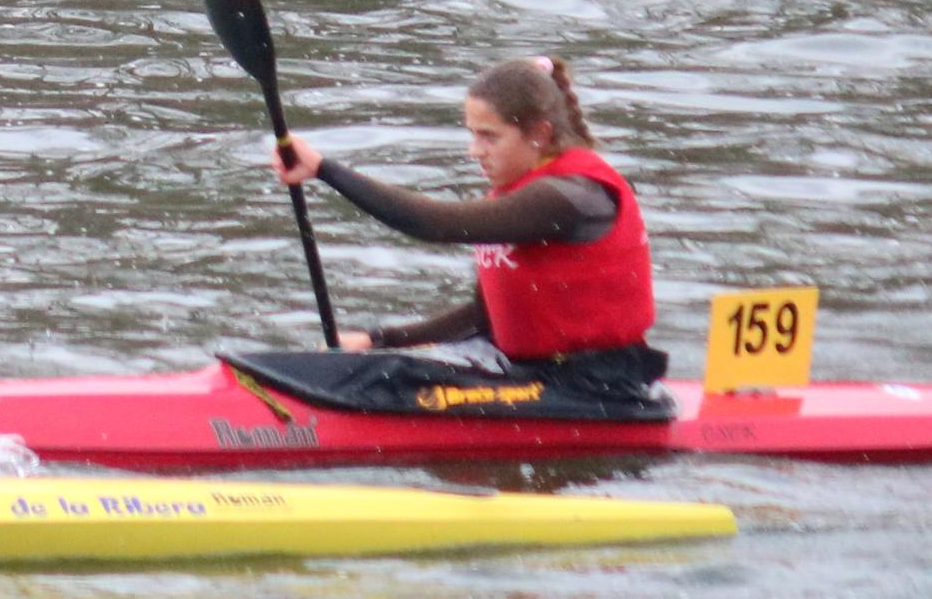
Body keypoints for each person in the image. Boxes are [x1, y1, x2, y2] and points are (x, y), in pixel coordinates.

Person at [253, 55, 668, 419]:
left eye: (489, 136)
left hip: (598, 388)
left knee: (388, 379)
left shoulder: (570, 197)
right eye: (472, 134)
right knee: (387, 365)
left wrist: (324, 169)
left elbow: (433, 224)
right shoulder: (525, 191)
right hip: (537, 373)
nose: (474, 150)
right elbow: (483, 318)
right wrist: (379, 340)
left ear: (539, 134)